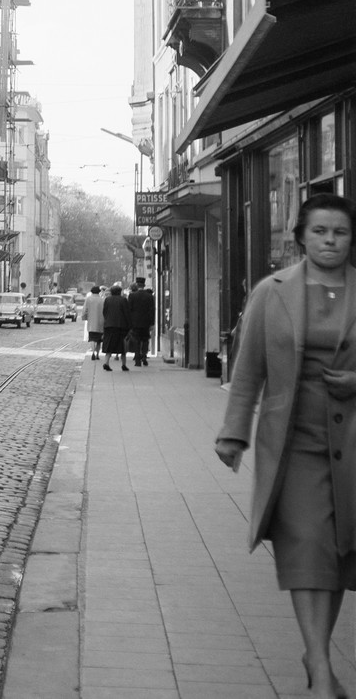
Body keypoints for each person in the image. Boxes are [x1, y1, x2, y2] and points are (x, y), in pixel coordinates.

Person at [216, 194, 356, 699]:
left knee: (339, 554)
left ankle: (314, 654)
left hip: (352, 446)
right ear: (300, 237)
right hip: (293, 445)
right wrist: (234, 434)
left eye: (339, 232)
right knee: (306, 546)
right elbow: (249, 367)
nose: (330, 241)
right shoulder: (271, 293)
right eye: (320, 231)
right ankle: (320, 668)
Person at [100, 283, 130, 372]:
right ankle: (124, 365)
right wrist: (129, 324)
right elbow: (126, 313)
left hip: (109, 325)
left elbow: (104, 312)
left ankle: (106, 362)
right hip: (120, 326)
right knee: (122, 346)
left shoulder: (107, 300)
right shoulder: (123, 300)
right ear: (120, 292)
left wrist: (107, 321)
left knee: (109, 344)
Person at [128, 276, 155, 367]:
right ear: (144, 285)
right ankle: (144, 356)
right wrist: (152, 323)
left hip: (135, 322)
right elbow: (152, 310)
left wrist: (129, 322)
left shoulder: (132, 296)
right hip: (146, 322)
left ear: (137, 284)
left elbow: (129, 309)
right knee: (145, 339)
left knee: (136, 340)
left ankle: (137, 360)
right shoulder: (149, 296)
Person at [84, 285, 105, 361]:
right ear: (99, 292)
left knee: (92, 339)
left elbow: (84, 310)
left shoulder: (88, 299)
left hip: (92, 323)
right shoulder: (102, 300)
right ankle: (97, 354)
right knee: (99, 340)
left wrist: (85, 318)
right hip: (100, 323)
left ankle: (93, 352)